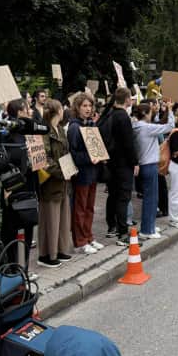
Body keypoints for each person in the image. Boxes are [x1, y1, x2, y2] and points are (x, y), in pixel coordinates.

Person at [0, 99, 37, 266]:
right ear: (20, 112)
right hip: (14, 190)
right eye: (28, 108)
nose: (31, 111)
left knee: (27, 230)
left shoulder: (29, 132)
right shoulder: (8, 135)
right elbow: (6, 162)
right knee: (12, 232)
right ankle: (12, 268)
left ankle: (23, 268)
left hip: (28, 189)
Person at [99, 88, 138, 246]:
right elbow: (128, 144)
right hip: (123, 163)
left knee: (113, 195)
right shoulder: (123, 117)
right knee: (123, 197)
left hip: (111, 162)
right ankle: (122, 233)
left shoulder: (109, 114)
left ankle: (112, 227)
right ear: (127, 99)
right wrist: (134, 162)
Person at [67, 93, 105, 255]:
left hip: (92, 173)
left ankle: (88, 236)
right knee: (80, 208)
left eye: (90, 106)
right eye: (84, 106)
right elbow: (73, 154)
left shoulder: (90, 125)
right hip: (82, 174)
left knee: (89, 208)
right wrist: (91, 158)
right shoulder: (74, 128)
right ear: (77, 107)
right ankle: (80, 241)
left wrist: (100, 155)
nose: (88, 109)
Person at [38, 100, 73, 268]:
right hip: (51, 181)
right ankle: (47, 254)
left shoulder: (60, 129)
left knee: (63, 218)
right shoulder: (43, 131)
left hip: (63, 180)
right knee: (50, 219)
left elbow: (66, 152)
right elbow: (44, 158)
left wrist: (70, 169)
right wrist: (61, 172)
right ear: (58, 111)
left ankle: (60, 250)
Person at [133, 102, 174, 238]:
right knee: (151, 199)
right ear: (145, 113)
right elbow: (170, 126)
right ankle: (147, 230)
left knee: (150, 198)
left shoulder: (136, 126)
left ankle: (149, 225)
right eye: (150, 112)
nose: (152, 114)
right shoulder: (146, 128)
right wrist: (170, 110)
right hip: (149, 164)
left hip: (144, 163)